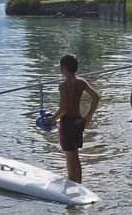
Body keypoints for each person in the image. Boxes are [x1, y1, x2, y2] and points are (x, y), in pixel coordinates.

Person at [43, 54, 101, 184]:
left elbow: (63, 109)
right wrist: (89, 116)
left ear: (64, 67)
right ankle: (79, 185)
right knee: (76, 157)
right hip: (79, 121)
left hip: (68, 123)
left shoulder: (63, 85)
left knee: (69, 159)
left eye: (60, 66)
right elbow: (96, 97)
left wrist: (52, 119)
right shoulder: (81, 81)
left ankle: (72, 193)